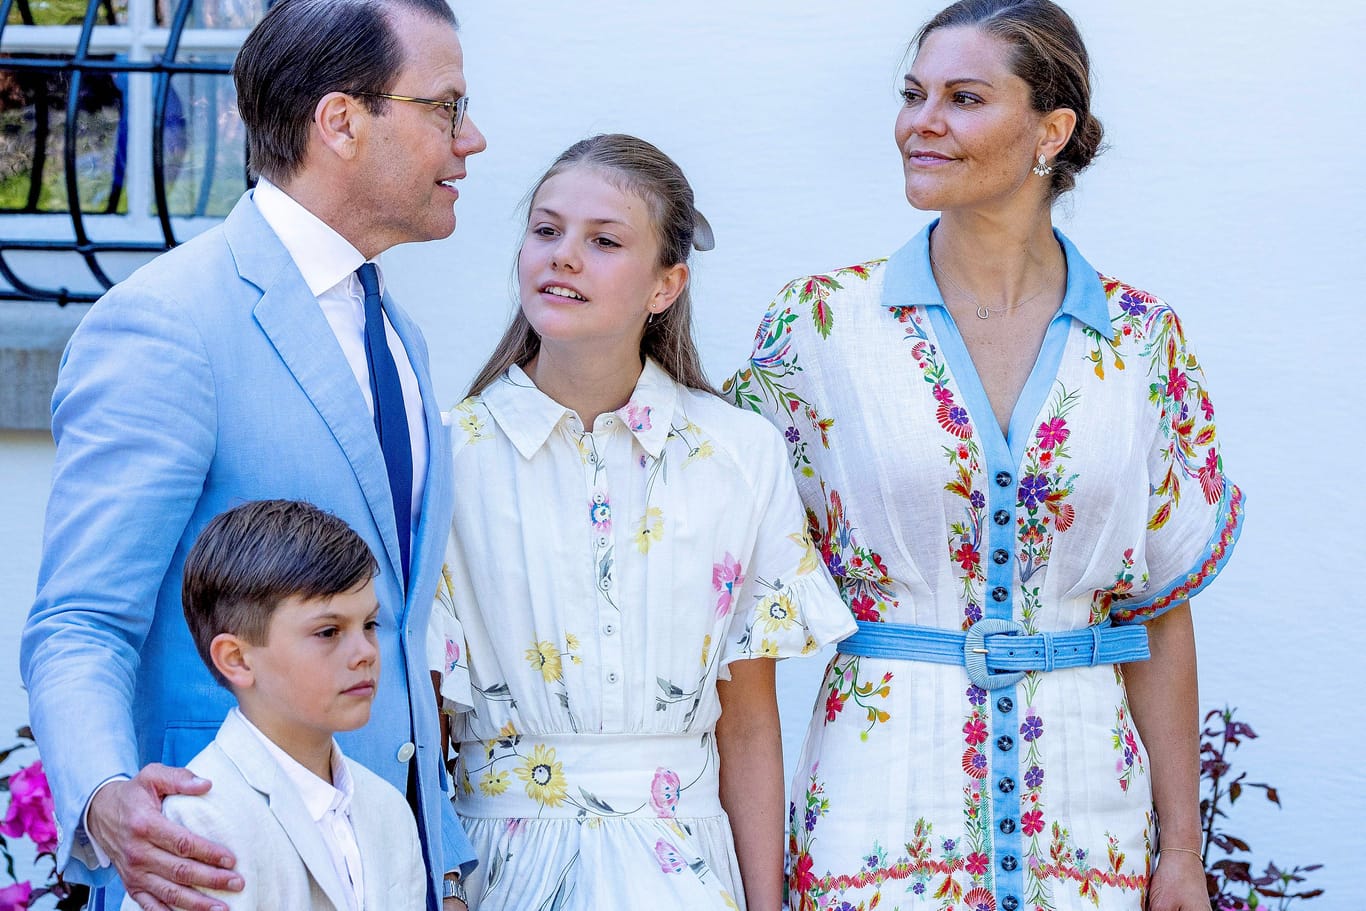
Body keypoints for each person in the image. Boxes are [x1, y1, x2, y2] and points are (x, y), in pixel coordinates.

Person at [726, 2, 1244, 910]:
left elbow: (1161, 611)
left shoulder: (1139, 341)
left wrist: (1180, 854)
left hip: (1091, 836)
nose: (920, 123)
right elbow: (741, 601)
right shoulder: (819, 327)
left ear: (1052, 131)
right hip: (874, 823)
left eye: (963, 98)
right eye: (913, 94)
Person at [20, 0, 487, 909]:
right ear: (342, 122)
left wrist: (440, 858)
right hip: (224, 866)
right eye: (446, 106)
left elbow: (399, 623)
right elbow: (79, 620)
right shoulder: (168, 325)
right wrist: (108, 799)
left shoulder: (398, 333)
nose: (471, 138)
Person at [426, 134, 857, 910]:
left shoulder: (737, 452)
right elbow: (424, 713)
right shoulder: (445, 453)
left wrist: (767, 903)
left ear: (667, 284)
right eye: (546, 230)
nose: (562, 256)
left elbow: (750, 720)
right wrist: (441, 884)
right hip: (500, 868)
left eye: (604, 241)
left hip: (686, 868)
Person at [122, 499, 427, 911]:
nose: (365, 653)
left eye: (369, 625)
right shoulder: (198, 823)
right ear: (237, 659)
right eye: (328, 631)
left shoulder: (388, 809)